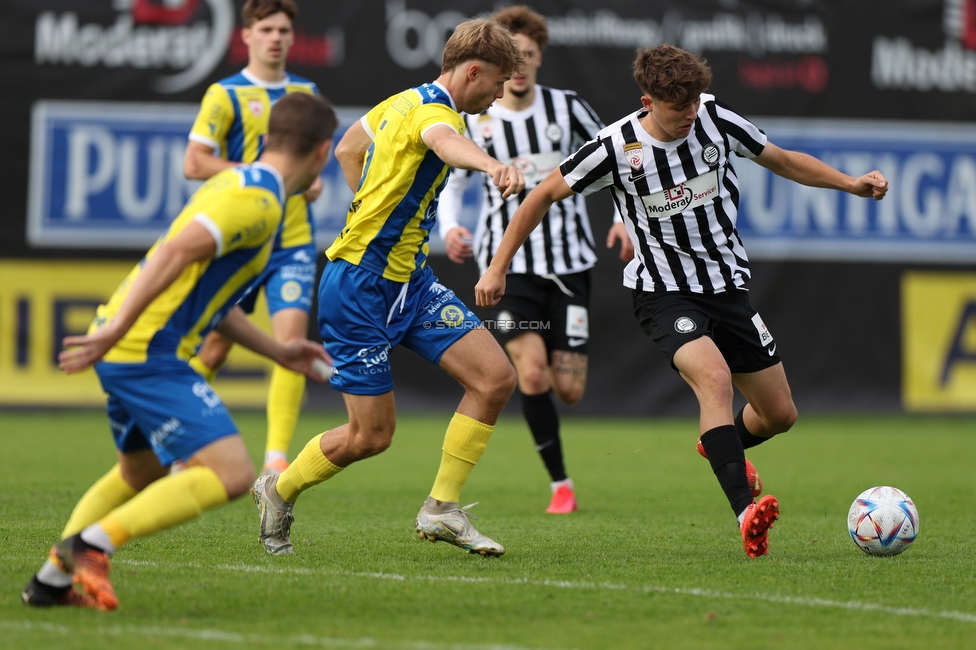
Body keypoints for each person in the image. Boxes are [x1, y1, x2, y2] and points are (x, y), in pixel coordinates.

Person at [475, 44, 889, 558]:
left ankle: (720, 443)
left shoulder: (714, 118)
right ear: (648, 102)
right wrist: (497, 265)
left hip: (727, 288)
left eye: (694, 103)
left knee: (780, 415)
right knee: (713, 381)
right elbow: (539, 195)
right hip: (663, 294)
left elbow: (781, 160)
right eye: (678, 108)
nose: (690, 115)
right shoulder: (615, 147)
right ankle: (745, 515)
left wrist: (851, 183)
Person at [22, 93, 338, 610]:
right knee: (233, 472)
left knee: (138, 473)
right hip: (145, 347)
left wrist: (277, 351)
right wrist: (120, 326)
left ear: (265, 139)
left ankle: (49, 584)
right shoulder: (259, 201)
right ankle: (89, 547)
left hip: (131, 343)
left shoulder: (245, 186)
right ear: (323, 152)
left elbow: (213, 299)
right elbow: (174, 251)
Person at [249, 18, 525, 558]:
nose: (498, 94)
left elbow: (349, 149)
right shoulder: (436, 114)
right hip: (356, 287)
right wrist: (492, 165)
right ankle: (277, 489)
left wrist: (374, 205)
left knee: (494, 379)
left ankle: (441, 509)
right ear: (473, 71)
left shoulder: (399, 100)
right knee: (370, 437)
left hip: (412, 283)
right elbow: (443, 143)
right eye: (497, 83)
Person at [437, 6, 632, 515]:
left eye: (527, 55)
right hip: (508, 270)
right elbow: (454, 180)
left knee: (568, 388)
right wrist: (451, 227)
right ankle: (560, 485)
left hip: (570, 267)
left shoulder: (567, 109)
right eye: (511, 57)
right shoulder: (478, 116)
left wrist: (622, 218)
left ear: (540, 56)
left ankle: (559, 467)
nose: (519, 66)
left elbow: (615, 160)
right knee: (533, 373)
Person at [183, 0, 320, 476]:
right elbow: (194, 163)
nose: (276, 37)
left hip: (293, 242)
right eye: (266, 29)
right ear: (246, 35)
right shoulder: (225, 94)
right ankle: (175, 437)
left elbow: (312, 171)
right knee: (215, 348)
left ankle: (275, 460)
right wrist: (266, 175)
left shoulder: (306, 93)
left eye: (284, 29)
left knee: (291, 342)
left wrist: (309, 181)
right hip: (244, 240)